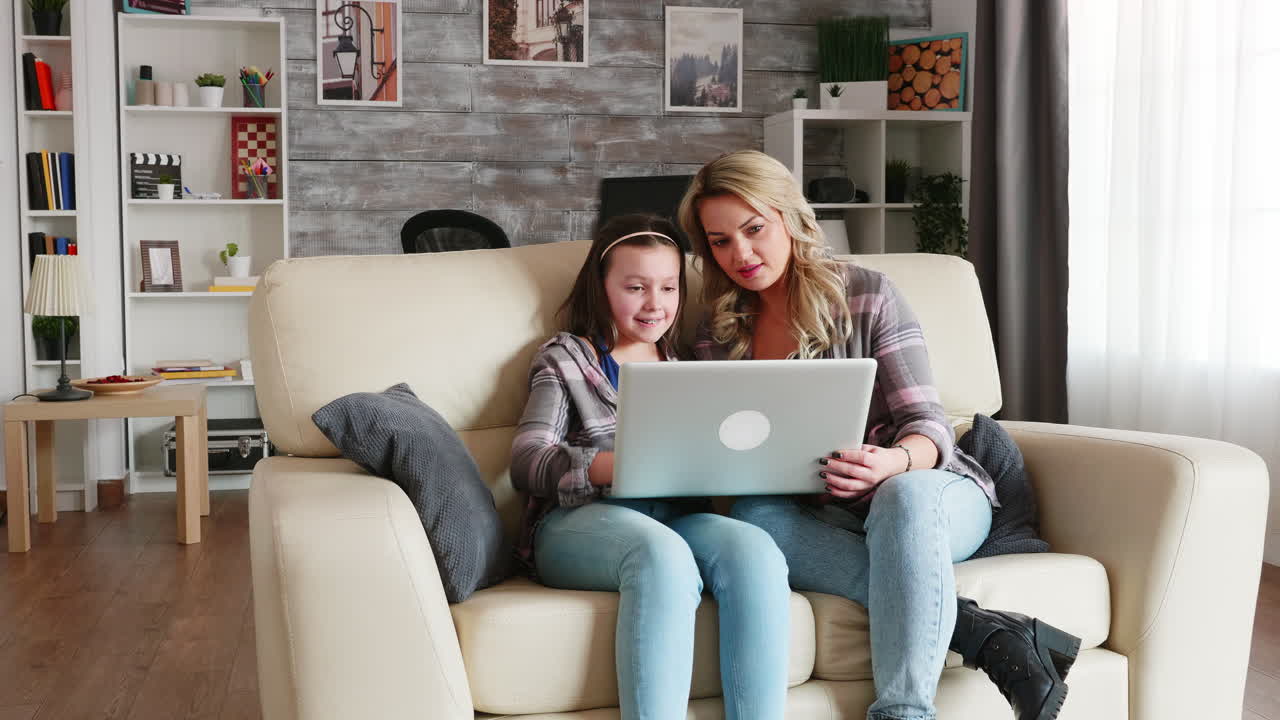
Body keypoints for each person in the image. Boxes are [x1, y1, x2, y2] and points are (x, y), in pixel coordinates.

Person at [676, 150, 1080, 720]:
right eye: (720, 241)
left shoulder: (868, 294)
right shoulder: (717, 333)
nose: (740, 253)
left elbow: (928, 425)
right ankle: (985, 631)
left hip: (930, 494)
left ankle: (903, 713)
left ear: (789, 217)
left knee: (901, 496)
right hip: (824, 516)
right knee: (751, 517)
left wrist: (892, 463)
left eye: (754, 229)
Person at [509, 213, 791, 720]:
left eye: (668, 287)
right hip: (579, 523)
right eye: (635, 287)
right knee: (660, 554)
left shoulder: (687, 367)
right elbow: (528, 462)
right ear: (601, 287)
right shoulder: (565, 358)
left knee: (755, 549)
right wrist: (620, 466)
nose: (654, 303)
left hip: (676, 516)